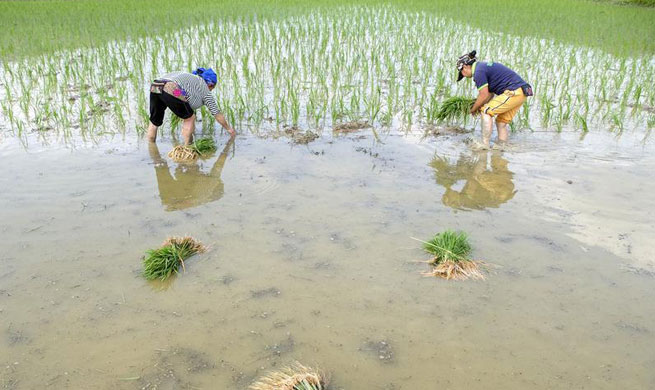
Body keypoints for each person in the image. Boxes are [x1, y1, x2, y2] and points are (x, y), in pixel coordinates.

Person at [457, 51, 533, 150]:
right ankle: (501, 147)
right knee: (501, 122)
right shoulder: (483, 67)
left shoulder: (478, 72)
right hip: (522, 92)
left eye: (462, 72)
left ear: (466, 66)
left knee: (486, 111)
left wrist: (473, 109)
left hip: (513, 91)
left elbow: (483, 95)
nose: (464, 76)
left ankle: (484, 145)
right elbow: (489, 94)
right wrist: (478, 105)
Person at [147, 67, 236, 144]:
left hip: (156, 85)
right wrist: (229, 129)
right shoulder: (205, 90)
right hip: (171, 87)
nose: (211, 91)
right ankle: (187, 148)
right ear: (210, 84)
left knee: (155, 121)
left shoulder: (192, 81)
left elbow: (183, 97)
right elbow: (216, 113)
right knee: (190, 118)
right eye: (212, 88)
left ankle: (152, 148)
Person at [148, 137, 234, 211]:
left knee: (160, 166)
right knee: (169, 170)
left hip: (172, 198)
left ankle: (155, 155)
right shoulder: (210, 185)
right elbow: (219, 165)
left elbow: (187, 201)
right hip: (176, 198)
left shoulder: (205, 188)